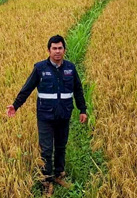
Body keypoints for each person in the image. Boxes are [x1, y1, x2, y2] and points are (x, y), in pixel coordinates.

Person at [6, 35, 88, 196]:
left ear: (64, 50)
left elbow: (78, 90)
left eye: (60, 48)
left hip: (64, 115)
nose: (57, 51)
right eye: (54, 48)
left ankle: (58, 174)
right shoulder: (40, 69)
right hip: (45, 116)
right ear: (49, 50)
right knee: (46, 149)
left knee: (60, 146)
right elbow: (27, 88)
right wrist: (15, 105)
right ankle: (47, 181)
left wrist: (82, 109)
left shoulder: (70, 69)